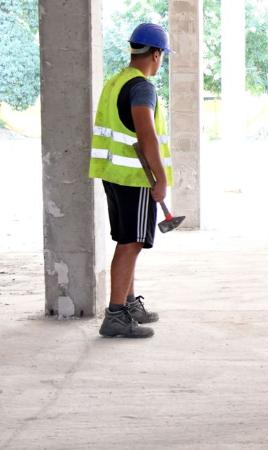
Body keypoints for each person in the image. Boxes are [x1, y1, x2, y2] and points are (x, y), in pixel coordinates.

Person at [89, 23, 173, 337]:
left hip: (114, 174)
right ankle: (116, 316)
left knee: (128, 240)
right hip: (135, 177)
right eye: (162, 55)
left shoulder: (116, 81)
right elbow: (146, 134)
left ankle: (127, 303)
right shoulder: (142, 87)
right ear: (156, 54)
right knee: (131, 243)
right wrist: (161, 179)